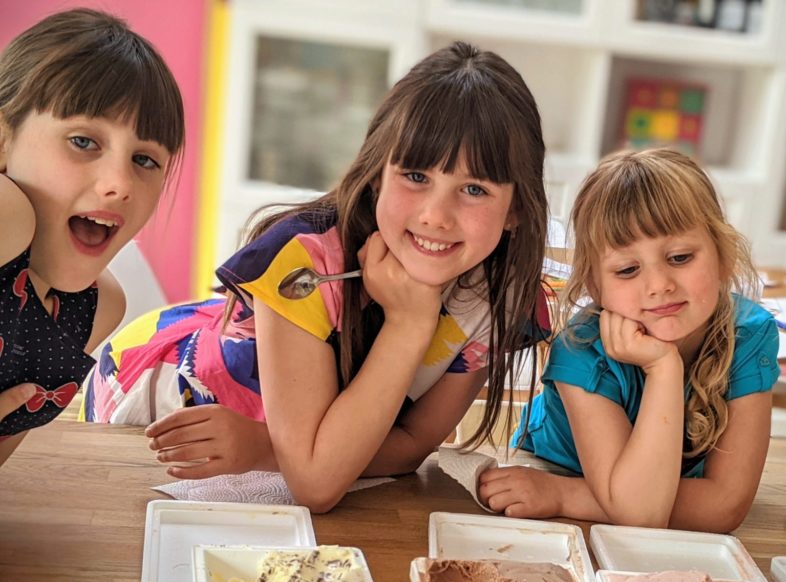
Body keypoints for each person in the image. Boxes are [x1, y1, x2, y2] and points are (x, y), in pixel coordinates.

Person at [85, 41, 549, 513]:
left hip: (257, 442)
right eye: (415, 176)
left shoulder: (498, 297)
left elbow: (409, 446)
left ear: (515, 210)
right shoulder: (304, 261)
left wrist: (269, 449)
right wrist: (409, 323)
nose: (436, 215)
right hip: (163, 403)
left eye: (474, 189)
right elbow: (317, 484)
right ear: (376, 176)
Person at [479, 147, 779, 531]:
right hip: (549, 478)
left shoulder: (749, 334)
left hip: (559, 495)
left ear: (722, 256)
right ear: (595, 286)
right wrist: (664, 369)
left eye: (680, 258)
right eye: (627, 269)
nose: (659, 286)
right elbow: (643, 513)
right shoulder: (581, 349)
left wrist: (564, 495)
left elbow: (722, 508)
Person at [0, 9, 185, 466]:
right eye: (83, 142)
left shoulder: (94, 308)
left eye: (144, 160)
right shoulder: (7, 215)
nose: (120, 183)